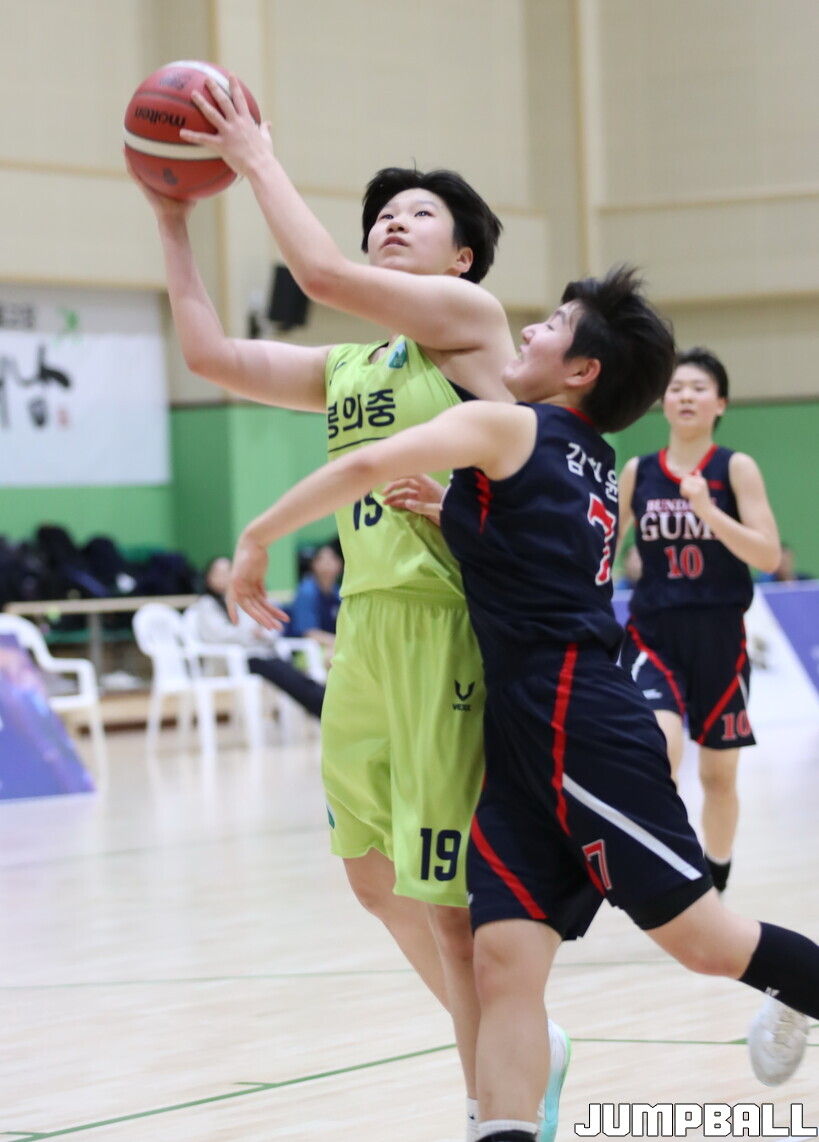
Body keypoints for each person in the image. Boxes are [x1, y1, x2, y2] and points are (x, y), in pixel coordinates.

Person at [229, 266, 817, 1138]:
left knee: (705, 943)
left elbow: (368, 461)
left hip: (577, 722)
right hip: (516, 737)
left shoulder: (508, 424)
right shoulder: (591, 458)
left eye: (551, 324)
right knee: (502, 964)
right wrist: (452, 516)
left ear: (581, 370)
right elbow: (528, 561)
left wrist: (256, 536)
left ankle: (799, 985)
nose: (529, 330)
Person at [126, 76, 569, 1142]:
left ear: (464, 257)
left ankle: (495, 1106)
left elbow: (318, 272)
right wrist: (173, 221)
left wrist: (252, 156)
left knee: (452, 907)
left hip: (447, 627)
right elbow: (211, 357)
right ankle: (524, 1049)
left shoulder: (471, 326)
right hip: (365, 632)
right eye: (383, 212)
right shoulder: (352, 366)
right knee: (374, 879)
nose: (392, 221)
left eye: (419, 212)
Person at [617, 348, 781, 894]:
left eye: (698, 387)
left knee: (718, 778)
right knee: (659, 753)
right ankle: (669, 878)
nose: (685, 395)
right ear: (663, 401)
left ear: (721, 403)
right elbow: (605, 545)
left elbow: (767, 554)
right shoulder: (638, 471)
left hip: (720, 638)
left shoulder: (735, 468)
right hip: (652, 635)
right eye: (676, 387)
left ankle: (718, 876)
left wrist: (708, 511)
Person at [190, 557, 325, 719]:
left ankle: (323, 702)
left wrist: (259, 633)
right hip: (236, 660)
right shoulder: (206, 604)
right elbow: (219, 635)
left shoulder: (242, 599)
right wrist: (250, 633)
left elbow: (268, 630)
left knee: (294, 675)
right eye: (218, 573)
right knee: (284, 674)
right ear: (208, 578)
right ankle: (323, 705)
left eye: (228, 572)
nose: (224, 577)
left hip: (260, 653)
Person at [287, 544, 342, 665]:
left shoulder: (338, 593)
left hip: (334, 645)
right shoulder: (307, 591)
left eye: (332, 558)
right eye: (322, 559)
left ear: (339, 564)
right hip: (305, 650)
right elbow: (309, 633)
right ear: (314, 564)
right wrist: (336, 642)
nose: (327, 563)